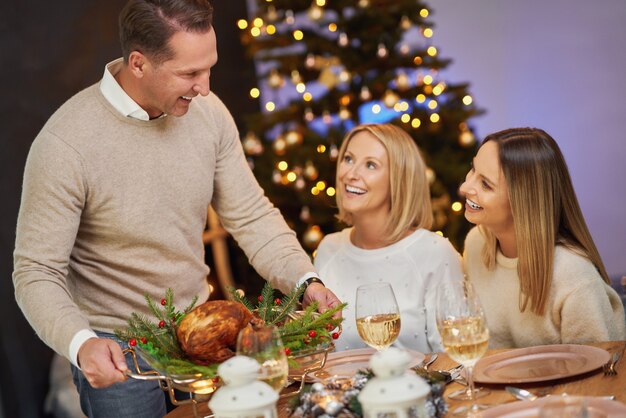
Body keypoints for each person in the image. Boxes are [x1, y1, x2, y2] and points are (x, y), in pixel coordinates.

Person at [12, 1, 341, 416]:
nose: (204, 88)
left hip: (202, 335)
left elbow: (252, 214)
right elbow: (35, 272)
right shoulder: (65, 144)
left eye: (209, 69)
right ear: (138, 64)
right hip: (118, 348)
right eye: (189, 73)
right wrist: (82, 344)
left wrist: (304, 279)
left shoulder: (209, 112)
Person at [459, 127, 625, 349]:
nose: (464, 187)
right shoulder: (476, 243)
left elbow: (600, 372)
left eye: (485, 184)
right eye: (473, 170)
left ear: (523, 202)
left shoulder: (573, 275)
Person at [314, 123, 464, 353]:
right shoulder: (328, 249)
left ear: (399, 179)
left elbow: (455, 359)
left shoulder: (435, 252)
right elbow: (320, 354)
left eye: (370, 165)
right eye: (348, 159)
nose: (350, 174)